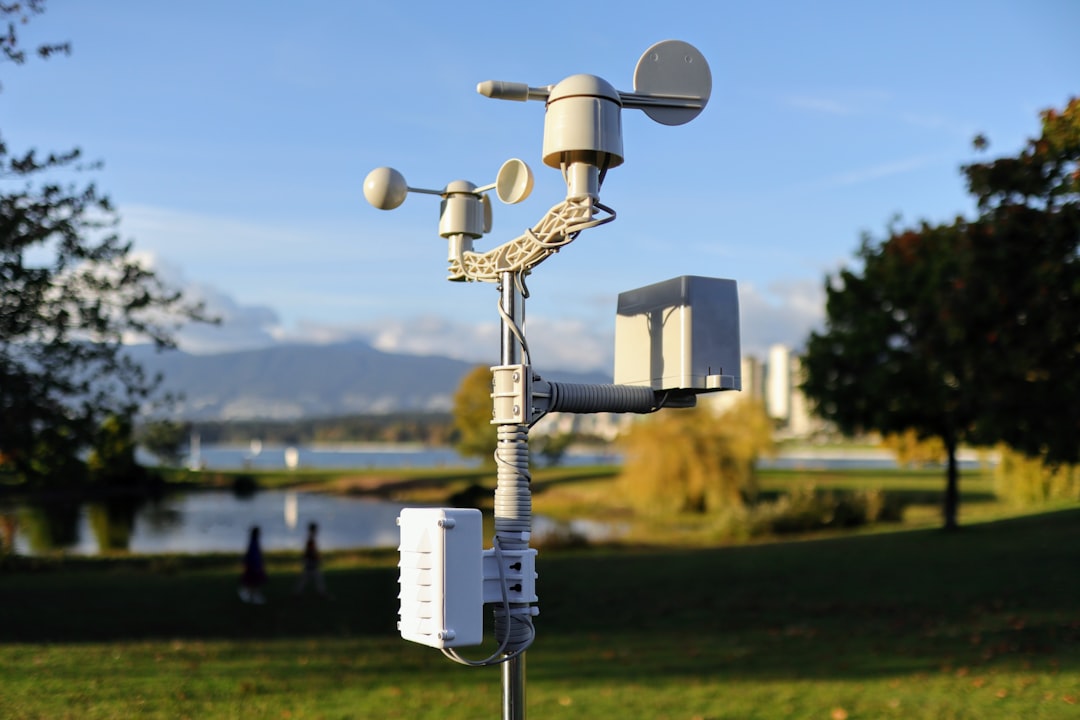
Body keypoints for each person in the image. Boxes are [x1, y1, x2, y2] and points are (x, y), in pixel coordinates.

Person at [293, 521, 330, 598]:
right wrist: (318, 558)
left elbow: (309, 551)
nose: (317, 531)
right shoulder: (311, 539)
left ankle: (297, 593)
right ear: (314, 530)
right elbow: (311, 551)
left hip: (309, 561)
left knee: (307, 578)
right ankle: (322, 593)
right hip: (311, 562)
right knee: (315, 577)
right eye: (316, 529)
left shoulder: (310, 538)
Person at [239, 525, 267, 604]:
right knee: (254, 582)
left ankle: (251, 595)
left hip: (254, 566)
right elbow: (253, 555)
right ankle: (253, 596)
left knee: (252, 582)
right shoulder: (254, 543)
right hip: (254, 566)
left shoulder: (253, 542)